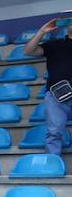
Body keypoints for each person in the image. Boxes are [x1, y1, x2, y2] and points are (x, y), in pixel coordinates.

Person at [22, 18, 72, 155]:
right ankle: (53, 166)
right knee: (54, 132)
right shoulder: (55, 44)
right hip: (57, 94)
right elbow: (28, 51)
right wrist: (42, 31)